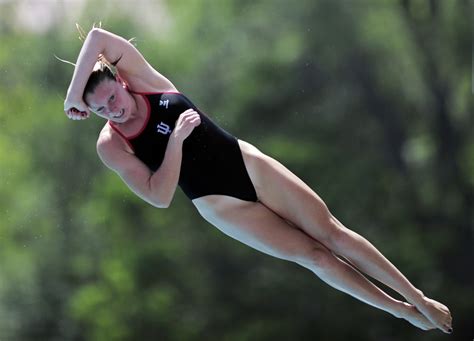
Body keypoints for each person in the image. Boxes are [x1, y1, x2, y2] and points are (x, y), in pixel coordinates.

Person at [63, 27, 452, 334]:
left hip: (244, 162)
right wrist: (176, 142)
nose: (112, 110)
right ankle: (401, 312)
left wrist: (71, 98)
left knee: (331, 232)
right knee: (314, 257)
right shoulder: (112, 145)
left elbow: (97, 38)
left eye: (111, 98)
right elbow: (159, 196)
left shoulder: (144, 78)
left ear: (121, 81)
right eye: (99, 110)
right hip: (221, 204)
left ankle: (418, 298)